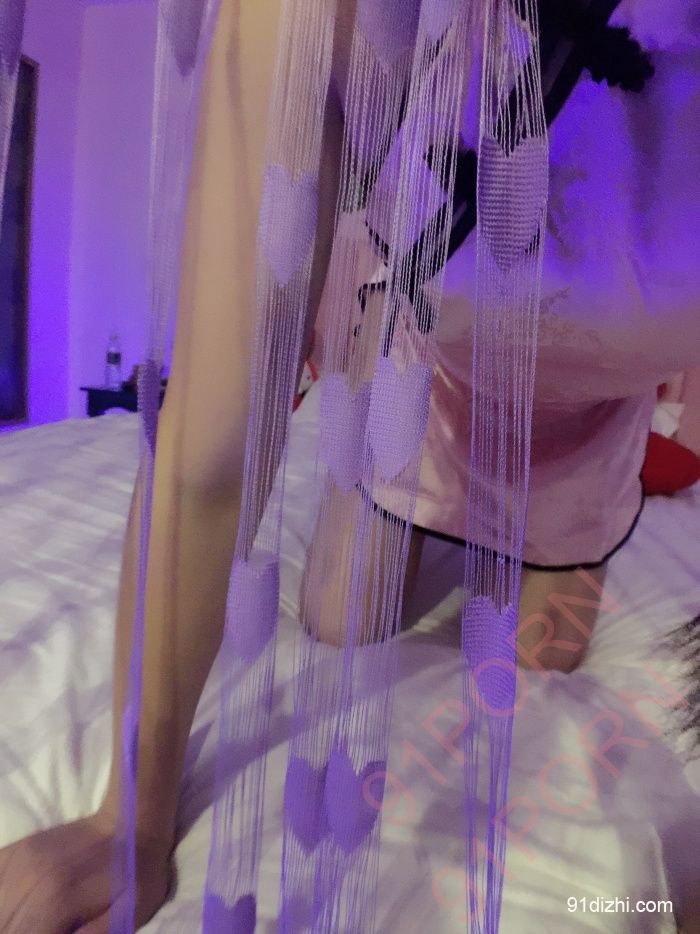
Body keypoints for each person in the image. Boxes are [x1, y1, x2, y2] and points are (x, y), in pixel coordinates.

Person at [1, 0, 699, 930]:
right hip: (418, 366)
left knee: (541, 660)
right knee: (337, 615)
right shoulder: (322, 20)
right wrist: (127, 819)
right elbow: (209, 455)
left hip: (591, 419)